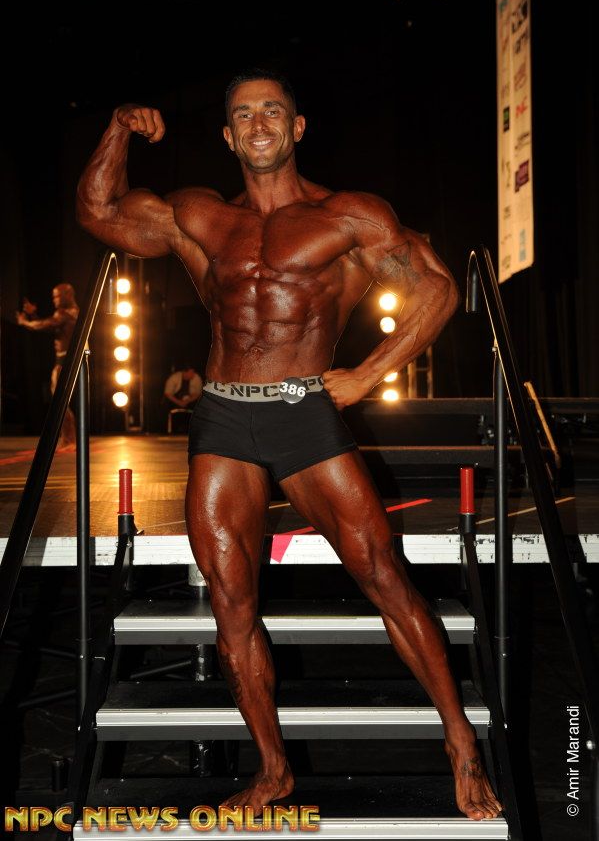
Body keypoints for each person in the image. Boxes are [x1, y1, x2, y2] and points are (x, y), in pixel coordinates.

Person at [75, 68, 502, 820]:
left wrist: (368, 374)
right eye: (244, 114)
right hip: (222, 417)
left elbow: (436, 288)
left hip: (305, 412)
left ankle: (460, 743)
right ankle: (273, 770)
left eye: (273, 110)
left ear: (297, 127)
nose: (259, 123)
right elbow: (99, 212)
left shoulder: (348, 214)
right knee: (231, 605)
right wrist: (117, 127)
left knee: (382, 575)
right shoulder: (199, 215)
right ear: (228, 135)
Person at [16, 284, 79, 449]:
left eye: (57, 296)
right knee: (60, 399)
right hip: (64, 359)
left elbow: (45, 325)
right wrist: (33, 315)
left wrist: (25, 322)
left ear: (67, 295)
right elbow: (50, 326)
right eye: (53, 297)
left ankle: (70, 438)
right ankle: (68, 438)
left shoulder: (67, 313)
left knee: (59, 400)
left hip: (65, 360)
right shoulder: (69, 313)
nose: (54, 300)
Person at [163, 364, 203, 432]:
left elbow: (198, 393)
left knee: (199, 406)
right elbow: (167, 393)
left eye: (193, 372)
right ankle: (167, 429)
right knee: (165, 405)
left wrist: (187, 401)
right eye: (191, 372)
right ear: (184, 372)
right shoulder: (174, 378)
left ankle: (194, 430)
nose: (193, 374)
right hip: (175, 401)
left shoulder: (196, 378)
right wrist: (179, 402)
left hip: (190, 401)